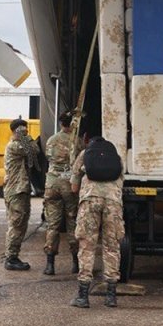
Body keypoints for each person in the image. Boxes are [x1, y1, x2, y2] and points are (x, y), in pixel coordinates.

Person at [69, 134, 125, 309]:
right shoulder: (116, 157)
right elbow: (121, 182)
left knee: (87, 246)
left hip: (90, 201)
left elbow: (74, 186)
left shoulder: (84, 154)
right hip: (113, 203)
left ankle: (83, 297)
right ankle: (111, 296)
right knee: (112, 246)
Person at [42, 111, 79, 275]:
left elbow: (48, 157)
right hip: (69, 184)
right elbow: (79, 160)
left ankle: (50, 264)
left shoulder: (51, 140)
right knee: (72, 222)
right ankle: (76, 263)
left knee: (53, 225)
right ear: (72, 124)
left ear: (60, 123)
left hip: (52, 184)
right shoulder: (75, 141)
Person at [3, 117, 39, 270]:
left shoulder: (18, 144)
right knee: (17, 225)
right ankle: (11, 258)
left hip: (19, 190)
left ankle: (13, 256)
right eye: (23, 130)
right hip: (16, 191)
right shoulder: (15, 146)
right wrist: (27, 136)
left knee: (20, 224)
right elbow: (33, 150)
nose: (25, 132)